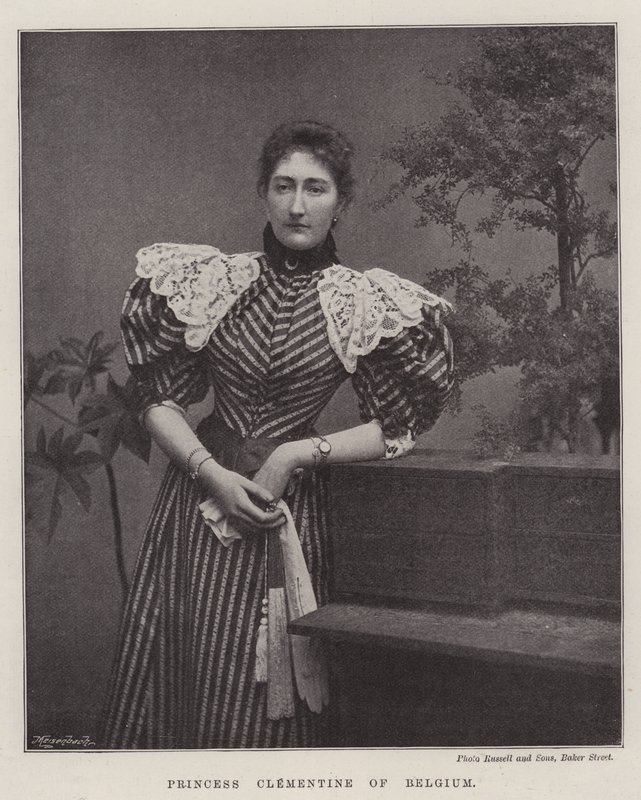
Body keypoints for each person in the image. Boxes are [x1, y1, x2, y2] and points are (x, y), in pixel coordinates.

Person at [101, 120, 454, 749]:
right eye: (283, 186)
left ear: (341, 202)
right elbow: (155, 398)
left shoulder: (360, 302)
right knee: (186, 674)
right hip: (196, 506)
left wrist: (296, 452)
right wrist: (209, 471)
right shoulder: (214, 283)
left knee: (267, 697)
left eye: (316, 189)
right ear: (263, 193)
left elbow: (398, 427)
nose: (297, 205)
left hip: (286, 512)